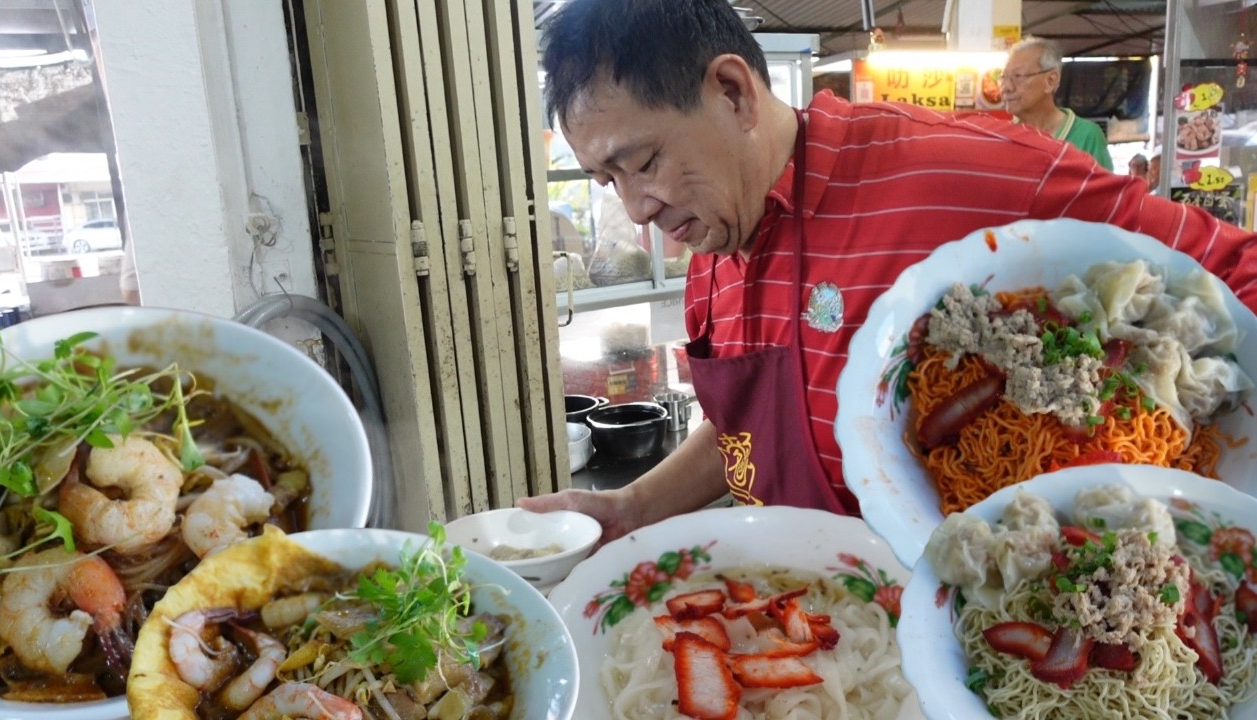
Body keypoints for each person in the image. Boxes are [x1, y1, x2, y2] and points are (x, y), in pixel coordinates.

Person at [519, 0, 1257, 545]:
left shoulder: (957, 173)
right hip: (821, 631)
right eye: (605, 179)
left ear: (735, 92)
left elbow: (1236, 270)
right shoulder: (710, 242)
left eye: (642, 162)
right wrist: (634, 508)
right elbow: (746, 428)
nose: (637, 208)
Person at [1001, 37, 1114, 171]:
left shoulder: (1087, 136)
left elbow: (1106, 191)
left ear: (1050, 81)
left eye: (1018, 76)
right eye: (1004, 77)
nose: (1006, 87)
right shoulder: (1003, 137)